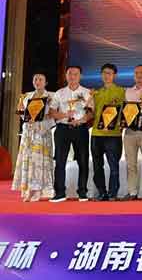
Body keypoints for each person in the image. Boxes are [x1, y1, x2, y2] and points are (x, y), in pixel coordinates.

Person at [49, 66, 93, 202]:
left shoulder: (87, 92)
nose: (72, 76)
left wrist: (80, 120)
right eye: (70, 74)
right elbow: (52, 112)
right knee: (60, 161)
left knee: (83, 160)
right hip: (62, 129)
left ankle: (82, 192)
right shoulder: (59, 93)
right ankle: (60, 192)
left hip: (80, 129)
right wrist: (64, 115)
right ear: (66, 75)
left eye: (75, 74)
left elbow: (91, 113)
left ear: (80, 76)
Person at [11, 72, 55, 202]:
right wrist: (24, 116)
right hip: (29, 133)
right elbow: (23, 114)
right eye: (35, 79)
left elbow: (53, 115)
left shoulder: (51, 96)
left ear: (46, 82)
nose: (37, 81)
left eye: (40, 79)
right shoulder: (26, 96)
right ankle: (28, 190)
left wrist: (42, 123)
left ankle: (40, 190)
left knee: (40, 162)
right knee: (29, 160)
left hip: (42, 133)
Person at [90, 63, 126, 201]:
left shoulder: (122, 91)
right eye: (104, 73)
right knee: (97, 166)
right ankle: (101, 192)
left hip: (113, 135)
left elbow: (126, 111)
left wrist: (122, 124)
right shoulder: (95, 93)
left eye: (109, 73)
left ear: (114, 75)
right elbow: (91, 113)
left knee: (114, 166)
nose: (107, 76)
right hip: (97, 134)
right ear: (101, 75)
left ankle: (112, 193)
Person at [122, 64, 142, 201]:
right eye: (136, 73)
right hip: (130, 131)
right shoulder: (128, 92)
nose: (139, 75)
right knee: (131, 163)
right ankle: (132, 192)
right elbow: (124, 111)